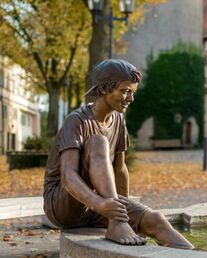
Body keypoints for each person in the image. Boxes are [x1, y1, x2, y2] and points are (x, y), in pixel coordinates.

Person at [43, 59, 194, 248]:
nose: (131, 98)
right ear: (105, 89)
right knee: (98, 141)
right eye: (125, 91)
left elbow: (120, 169)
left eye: (133, 92)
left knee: (157, 220)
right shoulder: (77, 120)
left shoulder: (118, 121)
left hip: (101, 204)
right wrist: (101, 206)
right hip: (64, 205)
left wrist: (123, 211)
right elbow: (67, 176)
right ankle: (117, 223)